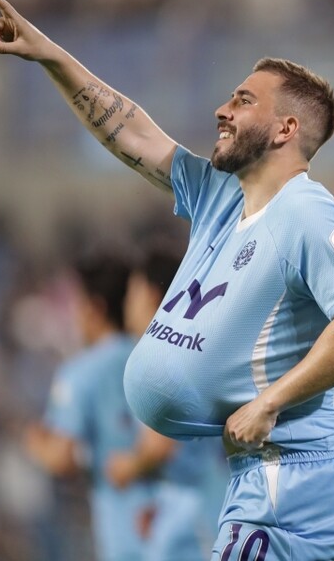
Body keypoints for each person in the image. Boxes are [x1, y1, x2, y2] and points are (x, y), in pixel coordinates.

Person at [0, 0, 334, 560]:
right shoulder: (221, 196)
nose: (223, 110)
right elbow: (132, 133)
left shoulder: (306, 210)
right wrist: (49, 55)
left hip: (294, 478)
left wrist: (269, 402)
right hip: (265, 477)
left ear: (285, 130)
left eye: (244, 100)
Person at [24, 249, 157, 561]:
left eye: (77, 304)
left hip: (125, 531)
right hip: (179, 526)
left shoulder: (79, 373)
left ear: (95, 309)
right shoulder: (152, 356)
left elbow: (62, 458)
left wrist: (35, 443)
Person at [106, 240, 228, 561]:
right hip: (199, 506)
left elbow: (162, 446)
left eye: (132, 291)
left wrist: (127, 467)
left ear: (150, 294)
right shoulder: (194, 347)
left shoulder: (164, 357)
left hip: (197, 513)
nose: (127, 303)